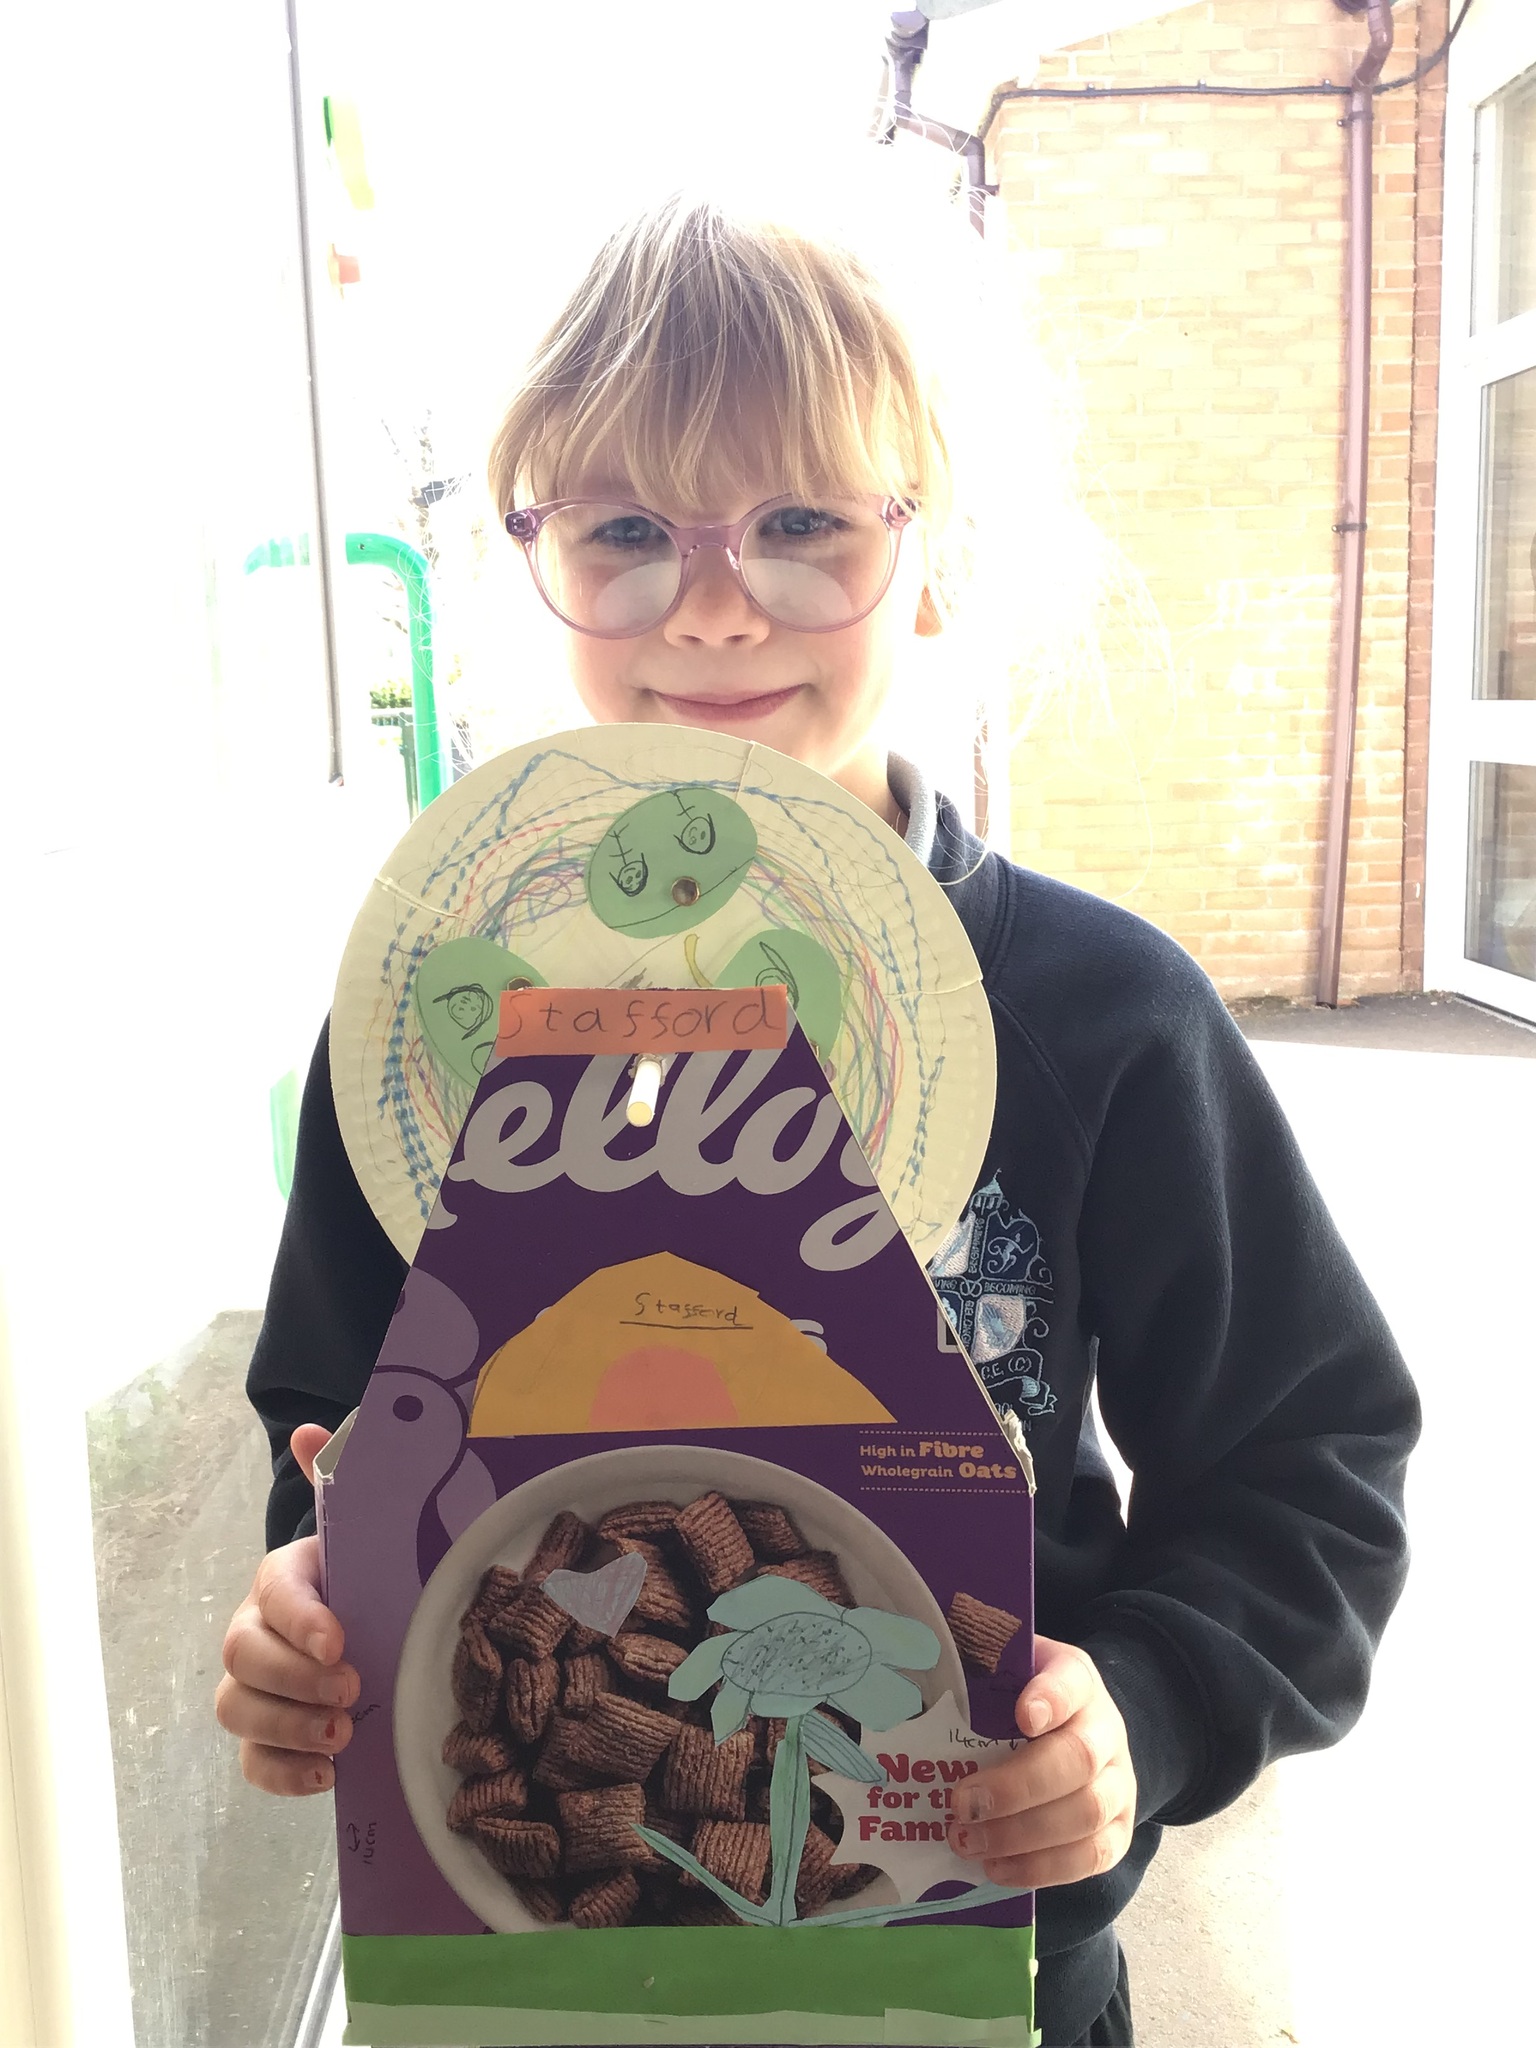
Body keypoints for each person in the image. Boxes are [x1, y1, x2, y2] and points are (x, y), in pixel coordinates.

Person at [216, 192, 1419, 2048]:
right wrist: (306, 1614)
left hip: (976, 1962)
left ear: (934, 557)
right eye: (626, 530)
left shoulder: (1102, 1020)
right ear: (535, 559)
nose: (711, 606)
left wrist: (1148, 1709)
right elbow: (328, 1419)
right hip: (528, 1970)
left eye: (799, 525)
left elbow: (1309, 1465)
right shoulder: (431, 1027)